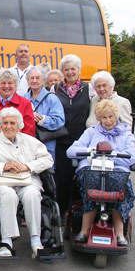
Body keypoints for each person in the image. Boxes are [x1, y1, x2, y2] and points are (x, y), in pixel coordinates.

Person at [0, 107, 54, 258]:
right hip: (0, 181)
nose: (8, 126)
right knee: (8, 194)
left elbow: (48, 159)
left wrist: (27, 166)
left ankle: (35, 240)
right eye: (5, 123)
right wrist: (3, 166)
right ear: (0, 124)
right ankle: (7, 241)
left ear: (19, 125)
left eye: (12, 123)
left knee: (32, 194)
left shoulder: (29, 141)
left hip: (27, 179)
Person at [67, 100, 135, 246]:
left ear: (116, 116)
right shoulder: (91, 132)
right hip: (92, 168)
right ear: (99, 118)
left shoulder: (125, 134)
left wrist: (111, 155)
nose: (108, 121)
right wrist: (91, 152)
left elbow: (131, 157)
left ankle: (119, 233)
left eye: (111, 117)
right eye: (104, 117)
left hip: (115, 170)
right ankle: (84, 231)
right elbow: (71, 151)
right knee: (91, 182)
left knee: (119, 185)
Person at [52, 54, 95, 216]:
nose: (69, 72)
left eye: (72, 69)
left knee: (80, 178)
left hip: (82, 142)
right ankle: (62, 213)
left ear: (79, 70)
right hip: (61, 140)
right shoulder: (55, 89)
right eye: (66, 69)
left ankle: (79, 212)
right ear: (62, 71)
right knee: (62, 179)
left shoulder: (88, 89)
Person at [24, 66, 65, 161]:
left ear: (43, 81)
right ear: (28, 81)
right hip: (27, 144)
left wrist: (42, 119)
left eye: (38, 78)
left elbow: (59, 121)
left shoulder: (52, 98)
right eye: (31, 78)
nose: (34, 81)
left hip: (46, 144)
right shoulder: (23, 99)